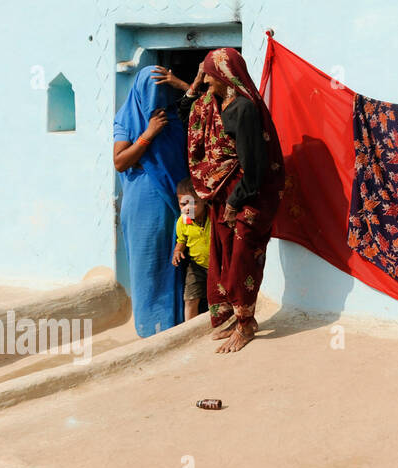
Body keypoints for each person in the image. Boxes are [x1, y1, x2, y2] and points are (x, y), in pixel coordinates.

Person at [163, 49, 284, 354]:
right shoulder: (210, 104)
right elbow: (183, 112)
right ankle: (233, 315)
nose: (205, 80)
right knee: (224, 258)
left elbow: (253, 166)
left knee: (242, 259)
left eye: (208, 74)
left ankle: (245, 324)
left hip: (245, 195)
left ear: (224, 76)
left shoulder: (243, 109)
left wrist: (235, 202)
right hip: (219, 192)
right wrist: (193, 83)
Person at [113, 65, 189, 336]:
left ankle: (173, 322)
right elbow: (120, 162)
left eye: (161, 90)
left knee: (175, 258)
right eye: (151, 91)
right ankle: (149, 325)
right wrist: (149, 133)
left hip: (173, 202)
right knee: (148, 264)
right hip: (142, 205)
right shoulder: (126, 119)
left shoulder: (174, 119)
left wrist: (180, 83)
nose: (156, 97)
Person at [172, 177, 210, 321]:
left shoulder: (213, 216)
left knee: (218, 298)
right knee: (190, 299)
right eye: (183, 204)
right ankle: (189, 326)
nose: (187, 208)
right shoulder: (183, 221)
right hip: (196, 267)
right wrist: (177, 251)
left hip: (218, 266)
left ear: (204, 200)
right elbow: (182, 239)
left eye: (192, 203)